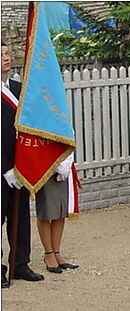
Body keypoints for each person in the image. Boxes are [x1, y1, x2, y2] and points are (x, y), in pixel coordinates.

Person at [1, 42, 45, 288]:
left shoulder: (19, 89)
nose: (6, 58)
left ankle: (20, 263)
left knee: (20, 217)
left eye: (7, 54)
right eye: (1, 55)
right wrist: (5, 168)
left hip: (21, 166)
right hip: (3, 169)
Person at [36, 153, 79, 274]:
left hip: (64, 163)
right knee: (46, 211)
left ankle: (56, 252)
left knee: (61, 211)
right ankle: (48, 253)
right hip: (45, 164)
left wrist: (65, 162)